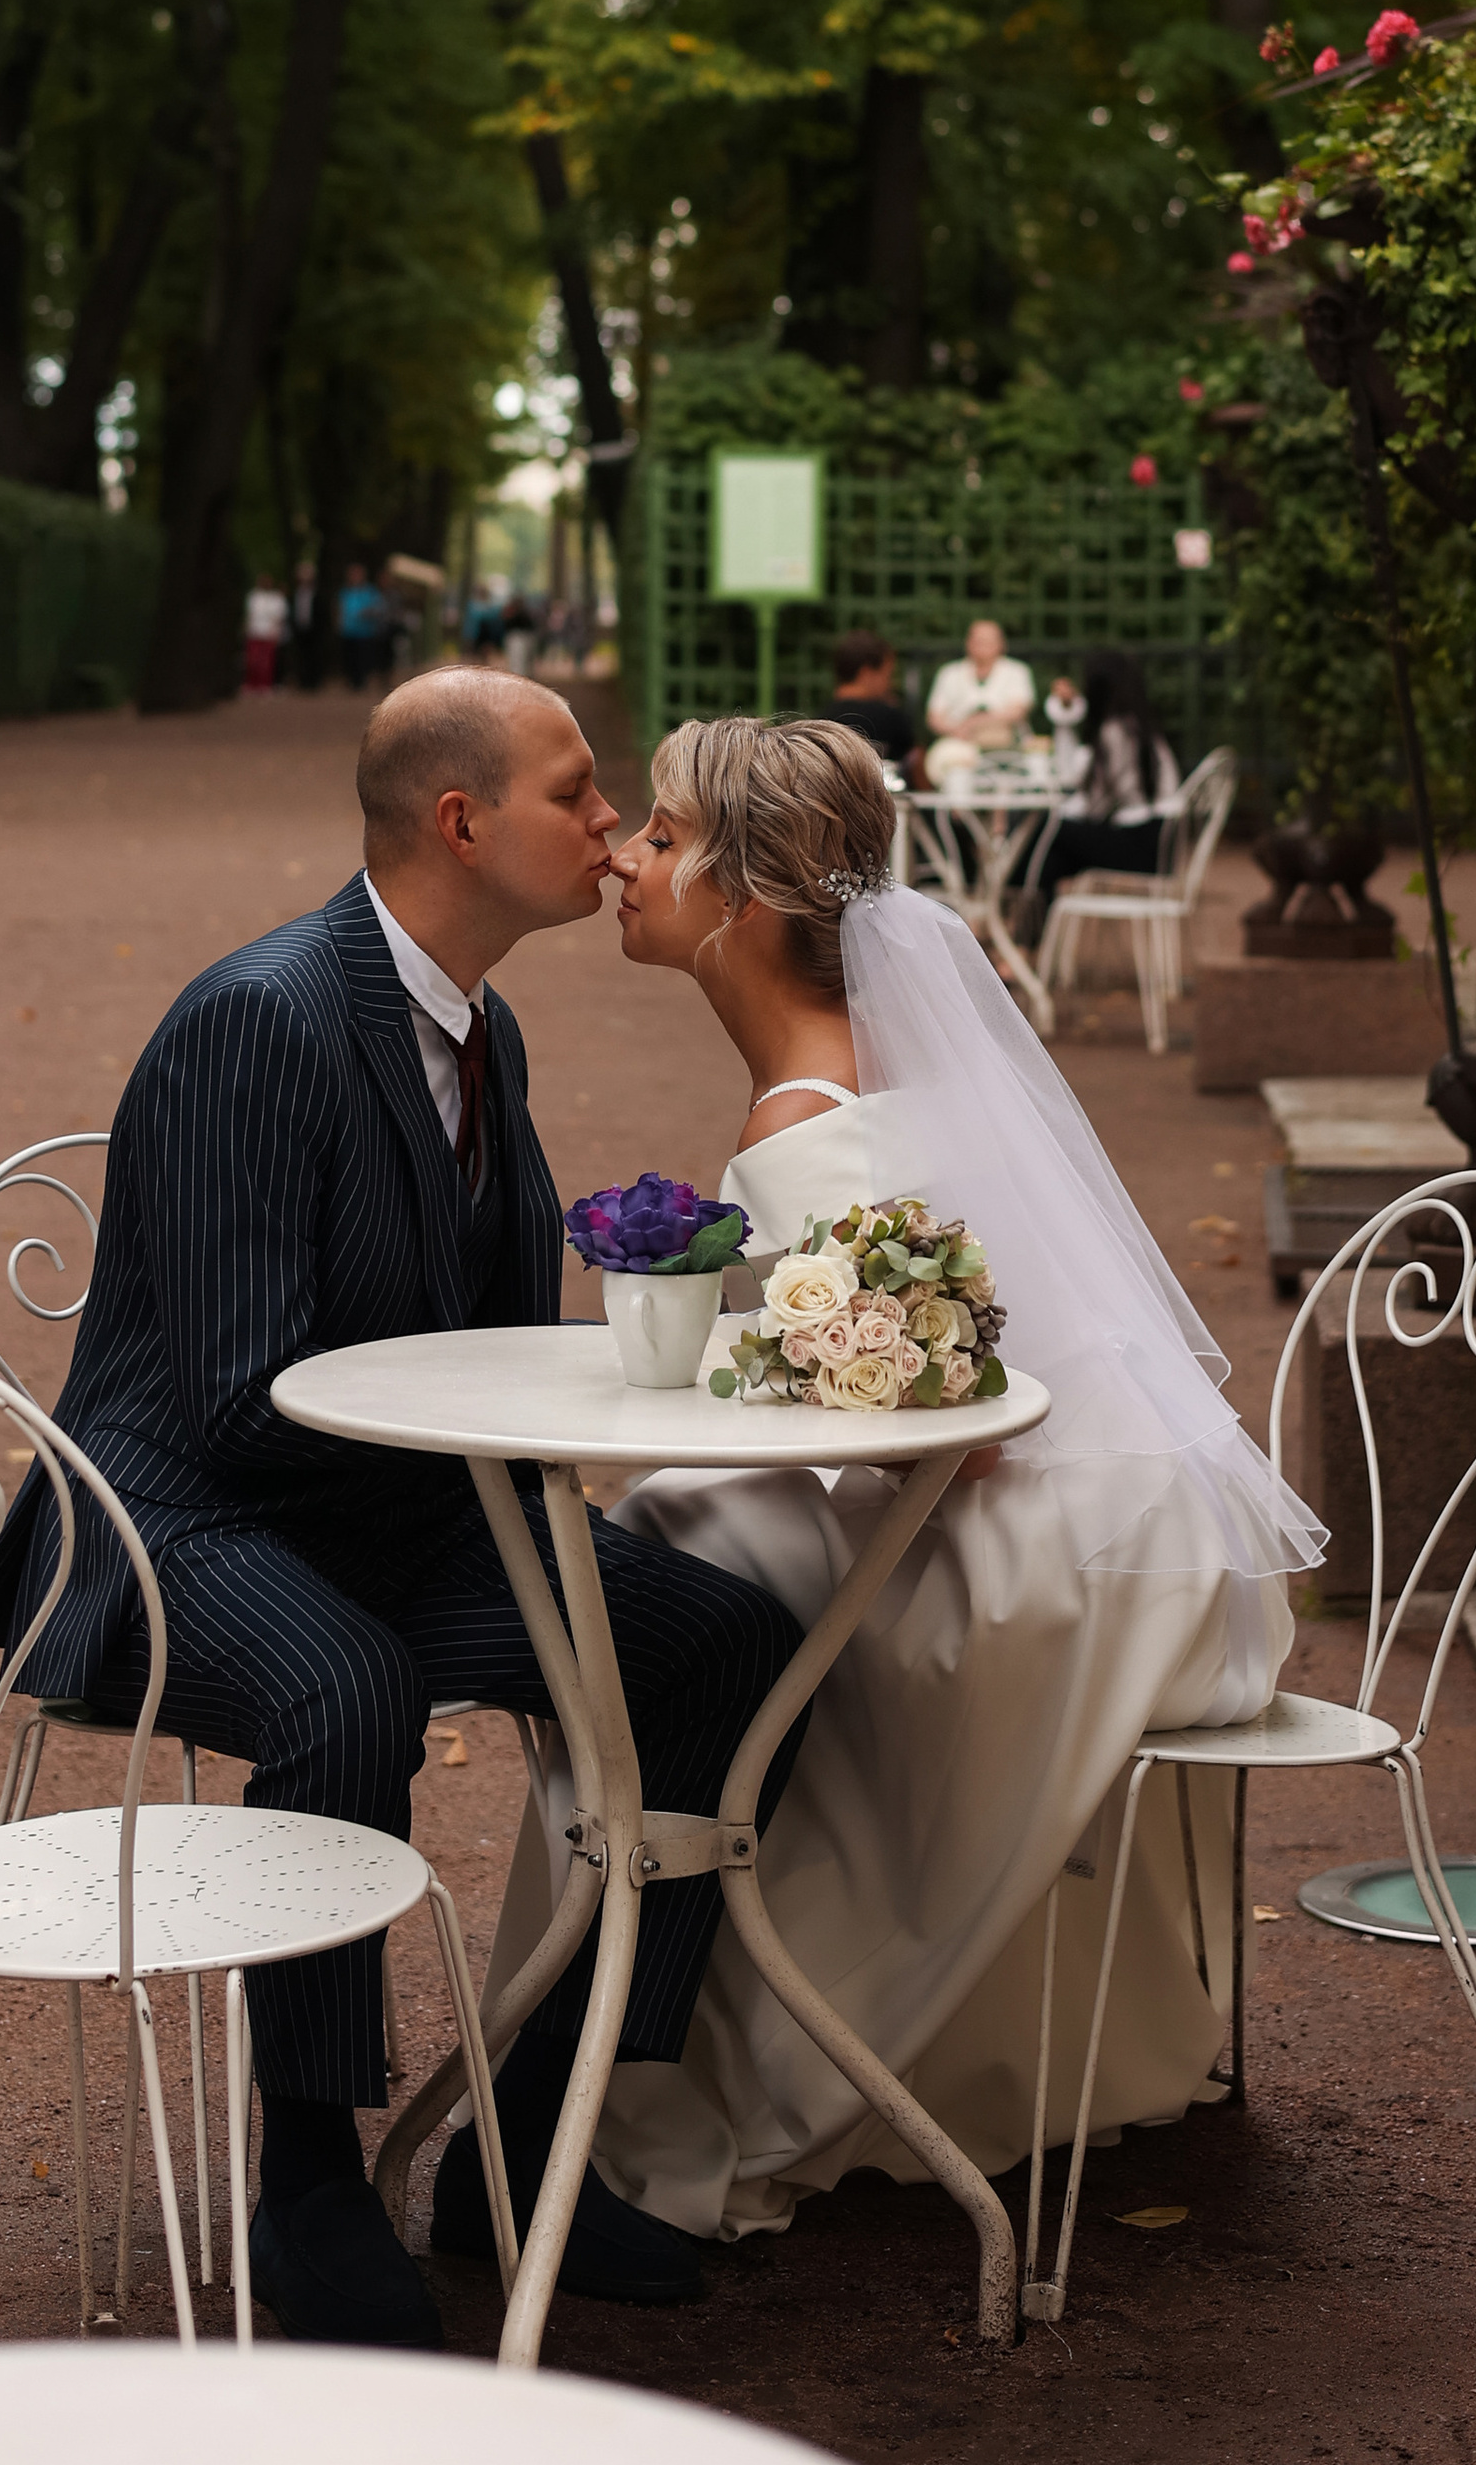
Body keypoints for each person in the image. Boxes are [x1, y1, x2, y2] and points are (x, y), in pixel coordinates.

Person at [0, 674, 809, 2347]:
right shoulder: (256, 1017)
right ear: (462, 822)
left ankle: (527, 2139)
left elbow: (483, 1329)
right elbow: (228, 1394)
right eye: (579, 790)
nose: (612, 822)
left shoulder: (489, 1026)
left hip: (381, 1513)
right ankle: (312, 2174)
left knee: (726, 1636)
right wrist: (486, 1465)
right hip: (175, 1524)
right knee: (345, 1683)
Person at [485, 715, 1325, 2246]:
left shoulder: (805, 1124)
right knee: (700, 1532)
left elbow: (955, 1421)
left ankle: (657, 2053)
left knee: (668, 1584)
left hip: (1046, 1563)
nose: (623, 855)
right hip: (1135, 1519)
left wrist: (758, 1379)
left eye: (661, 838)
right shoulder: (899, 1069)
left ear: (742, 895)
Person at [1028, 646, 1182, 905]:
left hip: (1142, 848)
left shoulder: (1114, 732)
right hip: (1161, 843)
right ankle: (1032, 931)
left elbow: (1096, 807)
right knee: (1055, 854)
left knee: (1048, 830)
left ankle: (1019, 915)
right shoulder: (1141, 727)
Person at [922, 615, 1033, 762]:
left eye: (988, 641)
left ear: (1002, 644)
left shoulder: (1017, 671)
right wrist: (956, 731)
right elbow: (934, 717)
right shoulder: (949, 673)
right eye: (978, 640)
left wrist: (974, 723)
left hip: (1008, 748)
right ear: (968, 643)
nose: (982, 646)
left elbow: (1018, 711)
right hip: (959, 748)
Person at [823, 627, 917, 778]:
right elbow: (914, 763)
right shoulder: (889, 718)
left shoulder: (822, 719)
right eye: (888, 674)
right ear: (867, 673)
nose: (890, 683)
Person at [335, 560, 386, 694]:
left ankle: (361, 682)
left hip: (365, 631)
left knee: (363, 658)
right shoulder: (345, 591)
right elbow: (339, 609)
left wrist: (367, 613)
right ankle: (352, 681)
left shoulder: (370, 591)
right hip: (348, 630)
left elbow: (378, 608)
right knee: (349, 658)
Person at [241, 577, 290, 695]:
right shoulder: (253, 596)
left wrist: (277, 631)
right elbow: (250, 614)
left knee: (267, 661)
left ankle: (265, 684)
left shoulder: (277, 598)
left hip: (269, 633)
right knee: (253, 659)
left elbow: (280, 617)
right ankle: (252, 684)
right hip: (254, 632)